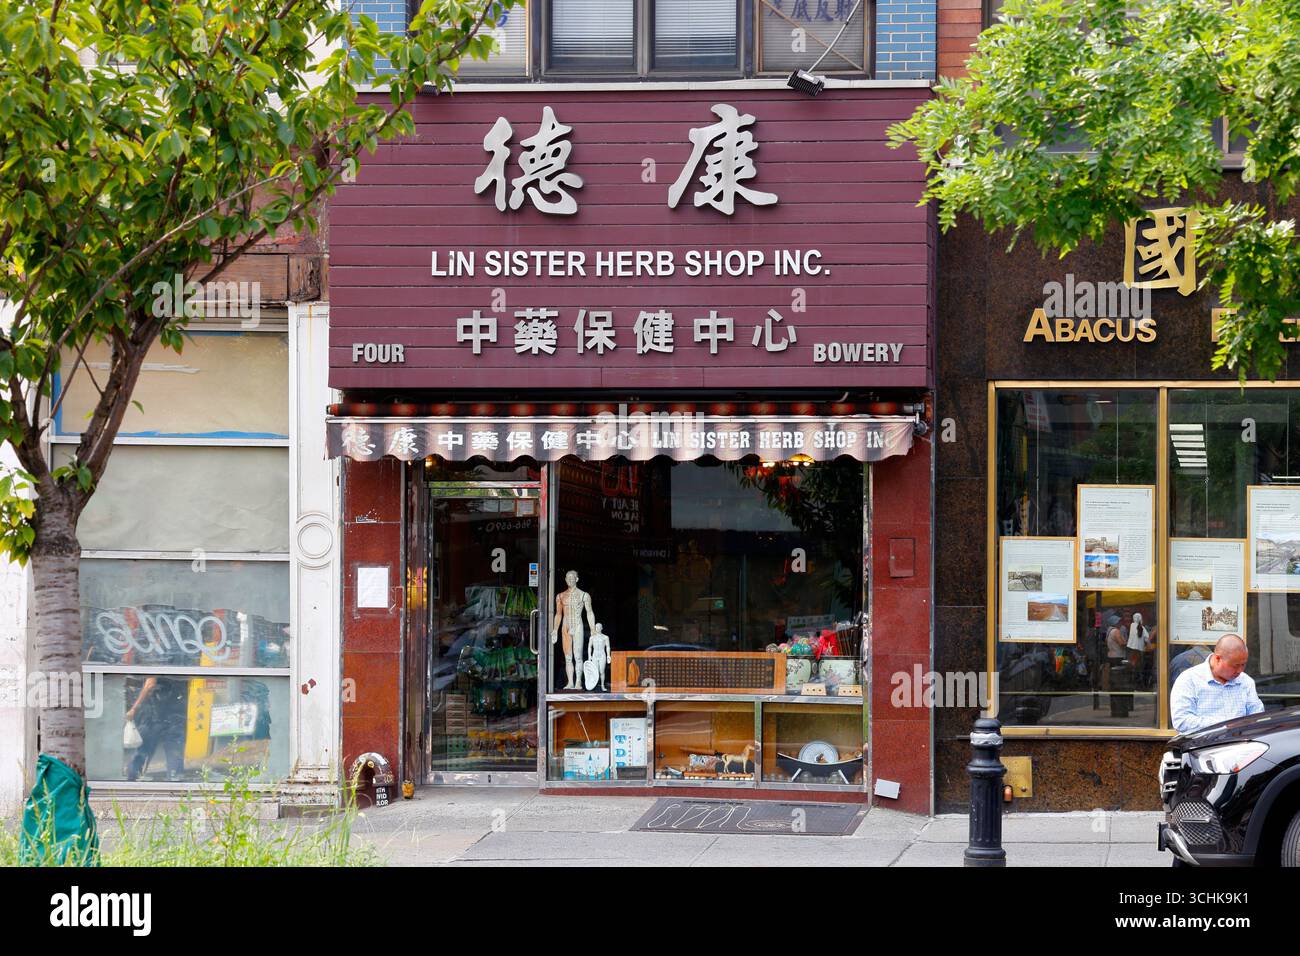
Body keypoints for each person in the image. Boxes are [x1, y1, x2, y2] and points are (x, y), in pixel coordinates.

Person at [1169, 634, 1264, 734]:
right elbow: (1182, 721)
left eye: (1243, 665)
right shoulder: (1189, 680)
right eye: (1235, 666)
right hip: (1203, 746)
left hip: (1240, 744)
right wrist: (1224, 725)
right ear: (1218, 659)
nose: (1240, 670)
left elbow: (1257, 715)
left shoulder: (1245, 681)